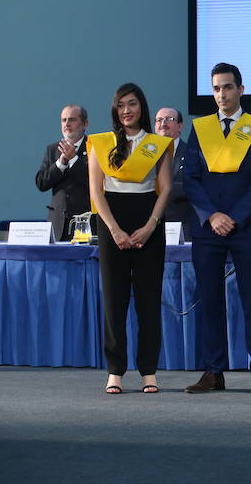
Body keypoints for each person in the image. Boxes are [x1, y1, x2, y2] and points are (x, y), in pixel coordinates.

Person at [184, 63, 251, 394]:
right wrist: (211, 215)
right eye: (216, 88)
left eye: (227, 87)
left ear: (241, 89)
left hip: (245, 227)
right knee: (210, 300)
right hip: (208, 229)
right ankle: (213, 371)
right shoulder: (200, 128)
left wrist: (232, 216)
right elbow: (190, 178)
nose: (222, 94)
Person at [87, 84, 172, 394]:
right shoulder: (100, 143)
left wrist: (151, 225)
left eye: (132, 104)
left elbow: (165, 189)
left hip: (148, 223)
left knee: (149, 302)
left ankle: (149, 371)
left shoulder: (158, 144)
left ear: (142, 108)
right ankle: (115, 372)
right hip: (112, 225)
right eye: (121, 105)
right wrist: (114, 230)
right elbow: (97, 191)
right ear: (114, 110)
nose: (126, 110)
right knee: (115, 302)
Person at [35, 105, 91, 241]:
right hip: (57, 224)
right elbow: (41, 183)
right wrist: (61, 162)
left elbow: (94, 182)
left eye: (72, 120)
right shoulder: (52, 150)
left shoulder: (94, 147)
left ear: (84, 124)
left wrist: (73, 159)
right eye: (63, 120)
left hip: (85, 223)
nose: (67, 124)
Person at [154, 107, 190, 238]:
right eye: (159, 120)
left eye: (169, 119)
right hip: (150, 229)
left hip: (183, 228)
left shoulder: (193, 153)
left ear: (180, 126)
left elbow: (194, 186)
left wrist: (163, 188)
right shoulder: (144, 155)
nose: (163, 124)